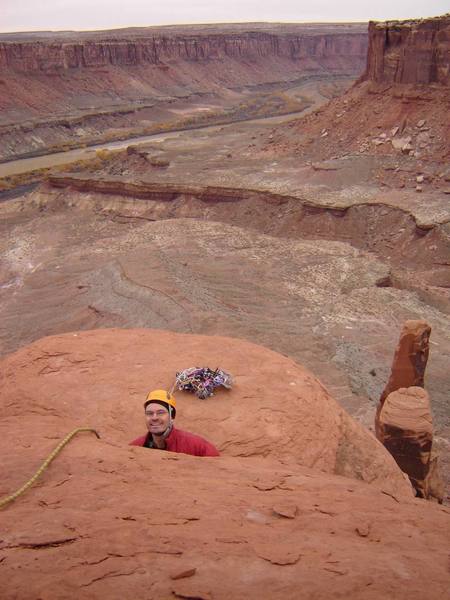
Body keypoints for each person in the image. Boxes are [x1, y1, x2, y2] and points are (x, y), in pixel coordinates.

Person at [130, 389, 220, 457]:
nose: (154, 418)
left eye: (160, 413)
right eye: (149, 413)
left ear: (172, 416)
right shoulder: (135, 447)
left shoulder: (198, 447)